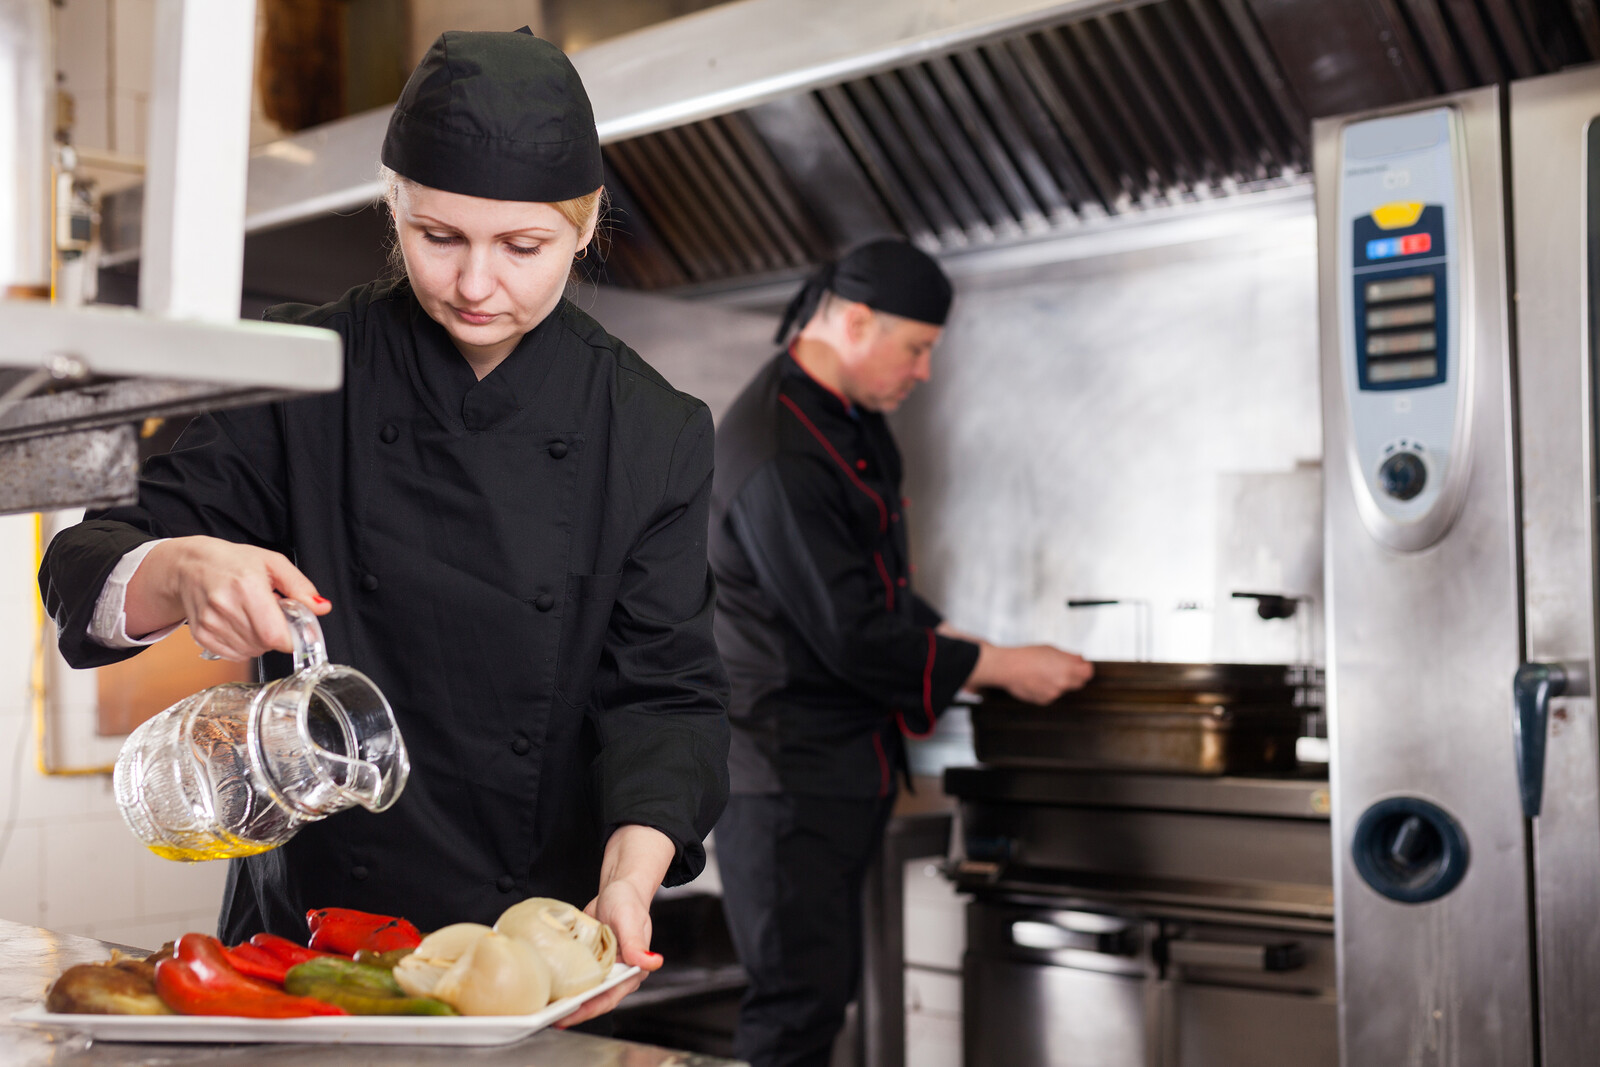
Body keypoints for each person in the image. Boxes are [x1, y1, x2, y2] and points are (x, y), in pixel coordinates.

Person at [37, 28, 728, 1026]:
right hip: (299, 953)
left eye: (522, 247)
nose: (475, 284)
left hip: (528, 960)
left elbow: (667, 695)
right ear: (392, 206)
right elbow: (82, 566)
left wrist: (630, 877)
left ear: (584, 227)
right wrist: (182, 567)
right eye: (436, 236)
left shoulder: (652, 429)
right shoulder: (290, 372)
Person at [709, 238, 1093, 1067]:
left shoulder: (852, 424)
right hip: (784, 779)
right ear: (854, 322)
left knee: (821, 997)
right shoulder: (778, 447)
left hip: (838, 769)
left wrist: (964, 641)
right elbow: (847, 629)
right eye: (916, 349)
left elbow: (872, 585)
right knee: (794, 1011)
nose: (921, 372)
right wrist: (999, 665)